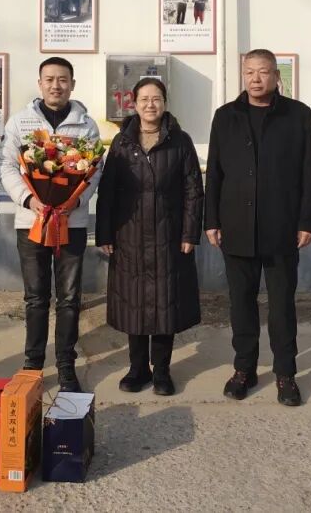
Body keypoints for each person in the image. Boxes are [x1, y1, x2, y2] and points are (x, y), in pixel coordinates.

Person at [205, 49, 311, 406]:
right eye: (250, 72)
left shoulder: (298, 115)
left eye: (264, 72)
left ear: (276, 76)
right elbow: (215, 172)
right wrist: (211, 220)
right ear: (243, 75)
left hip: (281, 226)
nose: (256, 79)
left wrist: (307, 220)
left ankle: (286, 373)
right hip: (236, 226)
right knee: (241, 303)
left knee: (282, 305)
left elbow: (309, 171)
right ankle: (244, 369)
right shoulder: (226, 116)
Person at [0, 57, 102, 393]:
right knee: (35, 297)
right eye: (50, 79)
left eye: (63, 79)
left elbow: (95, 170)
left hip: (71, 223)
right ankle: (33, 363)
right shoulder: (20, 122)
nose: (56, 86)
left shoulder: (86, 125)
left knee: (69, 297)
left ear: (72, 84)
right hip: (32, 222)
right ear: (40, 83)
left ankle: (66, 363)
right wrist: (29, 200)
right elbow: (7, 166)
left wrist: (76, 201)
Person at [96, 78, 203, 396]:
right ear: (134, 103)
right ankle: (138, 368)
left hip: (168, 234)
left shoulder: (180, 141)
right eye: (144, 99)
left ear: (165, 103)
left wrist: (190, 232)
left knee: (165, 303)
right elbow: (107, 191)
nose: (150, 105)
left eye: (156, 98)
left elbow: (193, 190)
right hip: (128, 235)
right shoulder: (122, 142)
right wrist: (104, 232)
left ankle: (162, 371)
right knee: (134, 302)